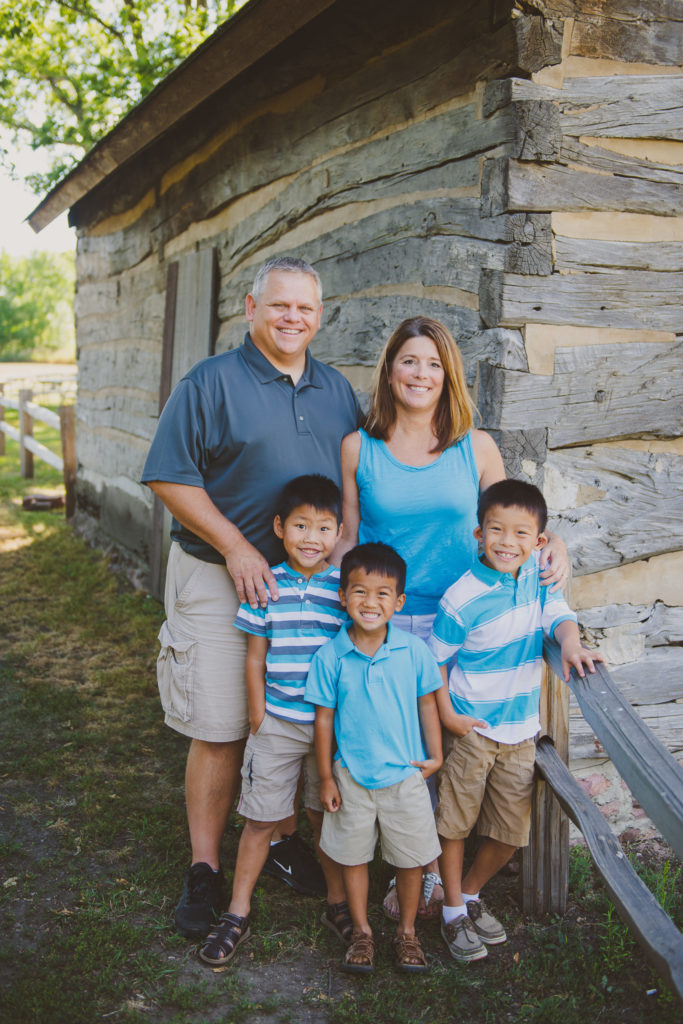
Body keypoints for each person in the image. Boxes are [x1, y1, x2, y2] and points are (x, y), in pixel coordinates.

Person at [141, 256, 361, 939]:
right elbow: (168, 476)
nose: (292, 318)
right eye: (279, 306)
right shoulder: (210, 382)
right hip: (218, 570)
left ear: (319, 316)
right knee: (220, 723)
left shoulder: (336, 390)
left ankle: (276, 834)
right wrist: (237, 545)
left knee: (296, 710)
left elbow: (358, 477)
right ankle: (206, 870)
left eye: (305, 308)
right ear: (250, 307)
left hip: (308, 587)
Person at [335, 315, 571, 920]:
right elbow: (348, 541)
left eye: (434, 364)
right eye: (410, 361)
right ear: (390, 369)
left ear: (449, 375)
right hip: (386, 627)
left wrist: (557, 545)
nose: (421, 374)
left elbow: (514, 517)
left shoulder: (476, 446)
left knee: (452, 756)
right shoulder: (359, 448)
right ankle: (395, 871)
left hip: (462, 629)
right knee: (395, 753)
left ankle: (436, 885)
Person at [428, 479, 605, 962]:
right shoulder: (460, 598)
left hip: (521, 731)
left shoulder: (537, 579)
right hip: (471, 730)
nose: (508, 542)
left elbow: (559, 616)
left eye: (521, 533)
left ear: (538, 541)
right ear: (478, 534)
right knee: (455, 824)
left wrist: (570, 644)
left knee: (510, 831)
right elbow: (435, 665)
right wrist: (448, 716)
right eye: (497, 530)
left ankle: (467, 894)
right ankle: (450, 913)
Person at [199, 475, 352, 965]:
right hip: (280, 722)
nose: (312, 538)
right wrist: (258, 712)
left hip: (330, 726)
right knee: (261, 817)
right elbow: (254, 655)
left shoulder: (345, 592)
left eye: (324, 528)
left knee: (323, 815)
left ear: (339, 532)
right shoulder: (267, 585)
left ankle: (337, 903)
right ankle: (237, 911)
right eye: (301, 526)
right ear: (279, 527)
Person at [305, 542, 447, 974]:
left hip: (405, 775)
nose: (370, 602)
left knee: (409, 859)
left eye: (383, 593)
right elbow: (324, 721)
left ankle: (406, 933)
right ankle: (363, 932)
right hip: (351, 776)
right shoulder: (330, 657)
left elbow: (427, 703)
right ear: (343, 597)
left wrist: (435, 754)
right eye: (360, 592)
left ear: (399, 601)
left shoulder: (413, 651)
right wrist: (327, 776)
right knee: (353, 856)